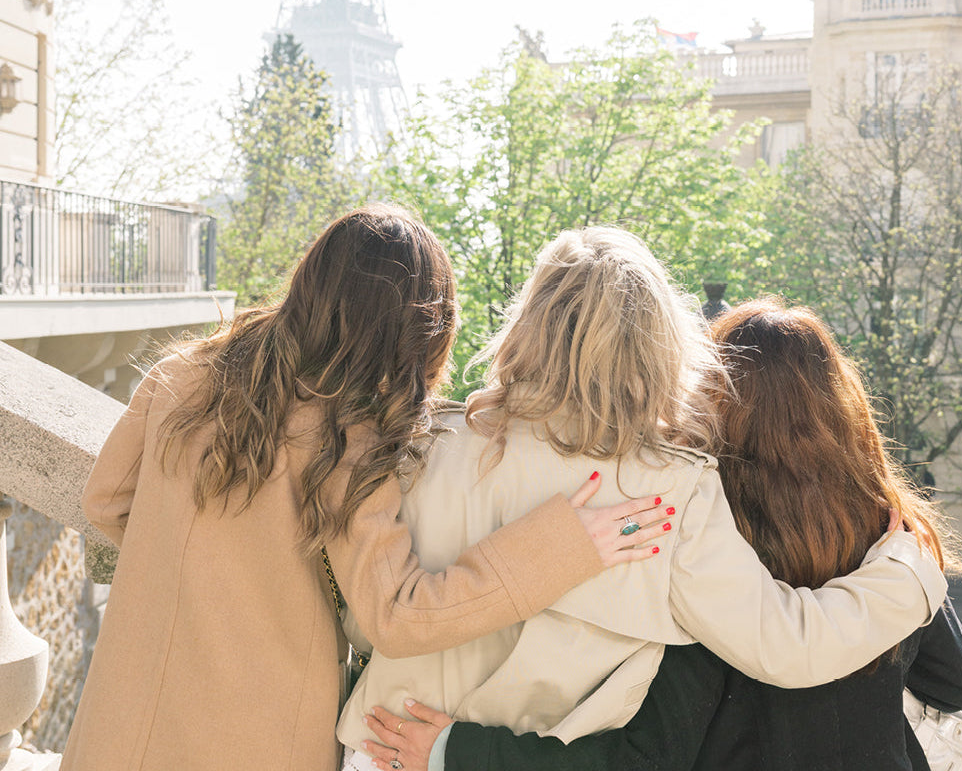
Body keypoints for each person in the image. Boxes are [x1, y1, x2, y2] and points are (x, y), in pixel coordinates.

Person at [61, 206, 670, 771]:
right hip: (260, 738)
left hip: (126, 721)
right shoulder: (351, 440)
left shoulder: (182, 376)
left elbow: (105, 501)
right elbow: (398, 615)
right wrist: (563, 545)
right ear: (417, 329)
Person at [338, 229, 950, 771]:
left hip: (391, 748)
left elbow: (362, 621)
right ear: (659, 343)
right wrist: (909, 572)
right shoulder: (671, 492)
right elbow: (789, 645)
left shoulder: (420, 448)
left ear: (527, 319)